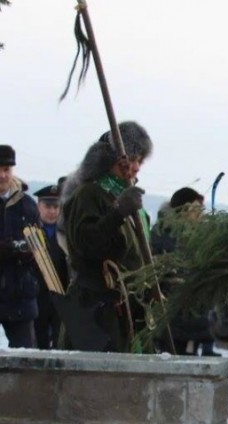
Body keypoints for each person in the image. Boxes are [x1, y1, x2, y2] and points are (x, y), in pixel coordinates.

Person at [60, 122, 153, 353]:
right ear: (112, 159)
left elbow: (135, 255)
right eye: (132, 159)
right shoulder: (89, 194)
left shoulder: (130, 202)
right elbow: (86, 244)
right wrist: (118, 214)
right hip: (94, 308)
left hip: (125, 307)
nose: (136, 167)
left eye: (140, 161)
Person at [150, 187, 218, 356]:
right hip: (171, 314)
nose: (200, 214)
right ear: (183, 209)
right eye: (196, 209)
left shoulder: (200, 236)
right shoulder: (164, 234)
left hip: (196, 314)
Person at [0, 145, 41, 349]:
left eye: (6, 169)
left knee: (26, 357)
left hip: (20, 294)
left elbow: (38, 245)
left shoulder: (27, 205)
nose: (2, 175)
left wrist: (27, 252)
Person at [31, 184, 69, 349]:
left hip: (60, 293)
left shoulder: (66, 232)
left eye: (56, 207)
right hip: (37, 294)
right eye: (48, 206)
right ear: (38, 206)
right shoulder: (30, 231)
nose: (52, 211)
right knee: (38, 342)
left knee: (59, 342)